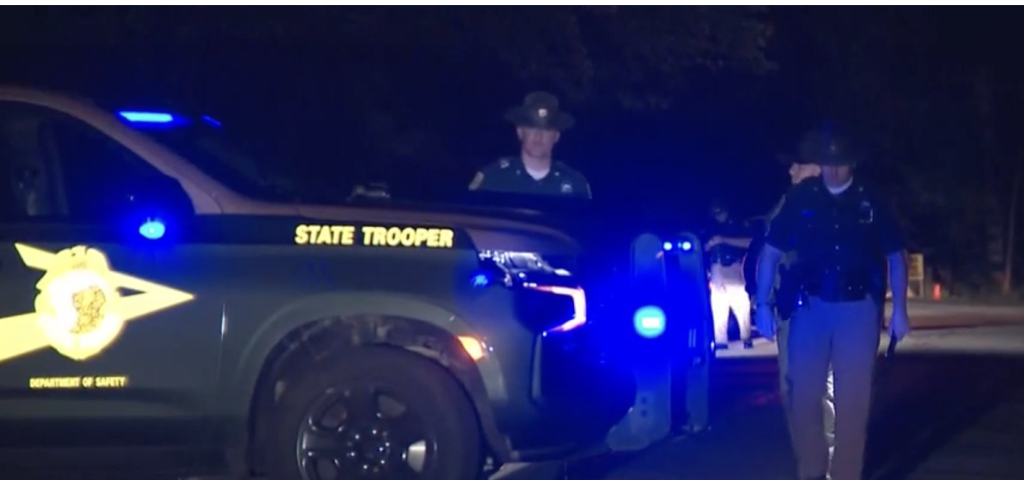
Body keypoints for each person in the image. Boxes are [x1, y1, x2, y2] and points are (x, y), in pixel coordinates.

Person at [754, 129, 911, 480]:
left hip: (856, 308)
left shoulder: (870, 198)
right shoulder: (801, 198)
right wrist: (762, 303)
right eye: (828, 162)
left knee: (852, 400)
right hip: (809, 307)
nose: (834, 170)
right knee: (802, 396)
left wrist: (899, 309)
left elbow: (895, 254)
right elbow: (771, 251)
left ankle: (843, 474)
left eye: (840, 162)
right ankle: (812, 470)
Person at [763, 153, 836, 463]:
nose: (792, 169)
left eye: (800, 163)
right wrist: (764, 302)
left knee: (829, 393)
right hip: (793, 312)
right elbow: (771, 255)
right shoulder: (786, 203)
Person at [468, 91, 592, 198]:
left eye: (546, 130)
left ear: (556, 136)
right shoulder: (494, 179)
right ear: (520, 132)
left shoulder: (575, 185)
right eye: (532, 128)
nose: (538, 136)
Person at [705, 199, 755, 350]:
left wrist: (723, 240)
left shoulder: (738, 225)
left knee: (741, 305)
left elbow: (750, 242)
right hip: (716, 270)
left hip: (734, 268)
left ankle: (746, 337)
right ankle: (720, 341)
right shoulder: (710, 227)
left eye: (720, 212)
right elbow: (703, 247)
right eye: (715, 213)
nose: (718, 216)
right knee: (719, 307)